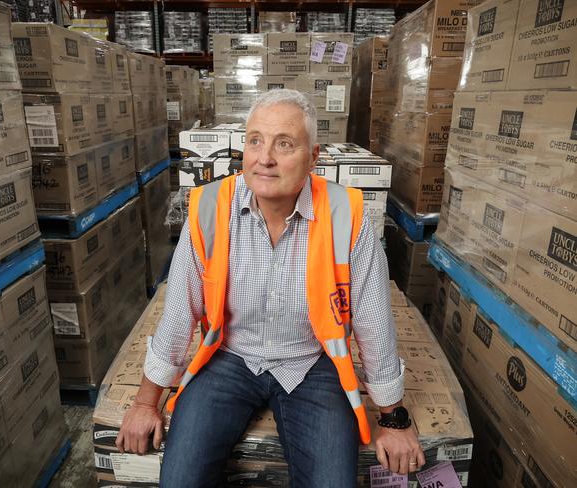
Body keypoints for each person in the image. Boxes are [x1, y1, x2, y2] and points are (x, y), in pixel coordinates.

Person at [116, 89, 425, 487]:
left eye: (285, 144)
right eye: (255, 140)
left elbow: (374, 323)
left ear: (313, 157)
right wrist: (145, 403)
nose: (265, 158)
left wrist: (393, 418)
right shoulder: (211, 209)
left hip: (311, 364)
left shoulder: (346, 216)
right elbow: (179, 311)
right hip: (229, 358)